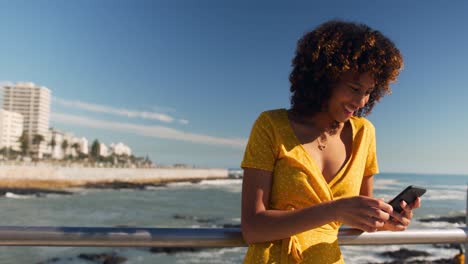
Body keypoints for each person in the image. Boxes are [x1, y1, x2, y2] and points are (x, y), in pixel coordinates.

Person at [240, 20, 421, 264]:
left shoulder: (364, 134)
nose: (361, 102)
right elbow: (253, 227)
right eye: (355, 87)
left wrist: (386, 219)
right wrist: (334, 210)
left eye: (369, 91)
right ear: (325, 78)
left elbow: (359, 218)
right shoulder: (271, 125)